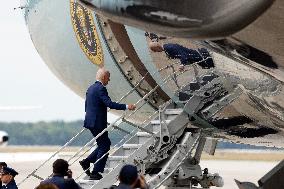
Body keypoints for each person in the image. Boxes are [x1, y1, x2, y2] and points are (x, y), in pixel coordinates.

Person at [80, 68, 136, 180]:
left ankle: (86, 161)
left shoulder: (90, 88)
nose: (109, 80)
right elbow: (109, 104)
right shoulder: (101, 88)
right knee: (105, 145)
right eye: (108, 78)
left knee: (103, 144)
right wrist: (126, 107)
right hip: (97, 121)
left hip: (90, 121)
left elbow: (87, 105)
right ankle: (96, 172)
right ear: (104, 77)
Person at [149, 42, 214, 70]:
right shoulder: (166, 48)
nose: (156, 52)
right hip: (194, 57)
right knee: (206, 66)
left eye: (155, 50)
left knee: (209, 65)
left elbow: (183, 54)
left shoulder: (170, 47)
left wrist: (182, 64)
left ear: (157, 47)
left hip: (198, 56)